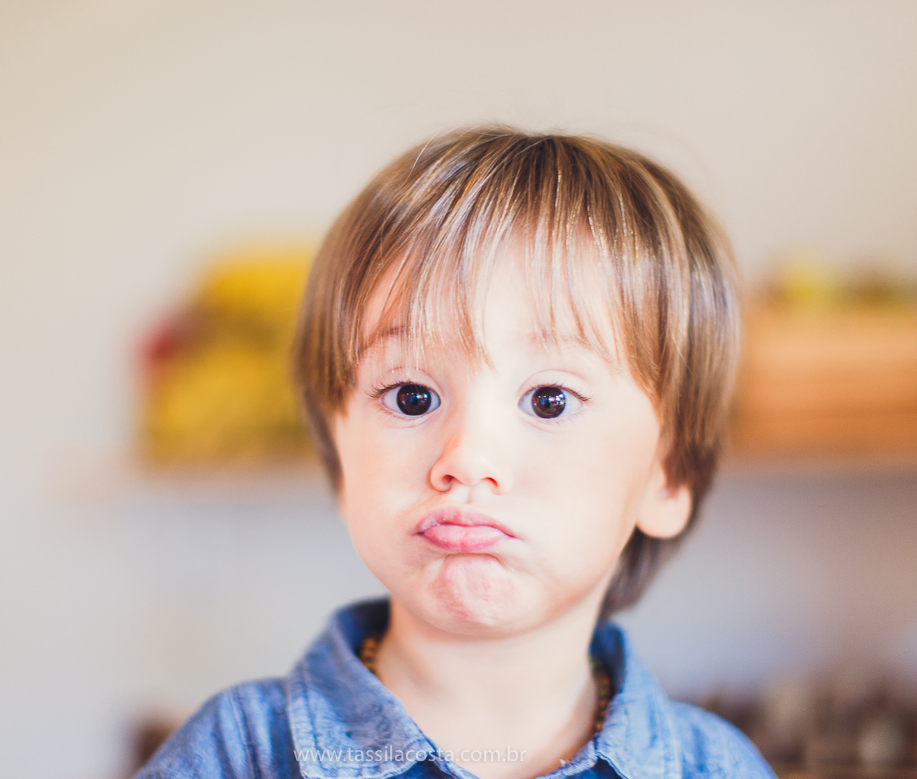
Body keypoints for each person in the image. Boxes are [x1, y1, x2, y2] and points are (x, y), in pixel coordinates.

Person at [136, 127, 775, 779]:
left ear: (668, 477)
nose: (466, 459)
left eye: (549, 400)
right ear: (338, 453)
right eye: (412, 397)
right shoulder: (235, 757)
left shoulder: (717, 767)